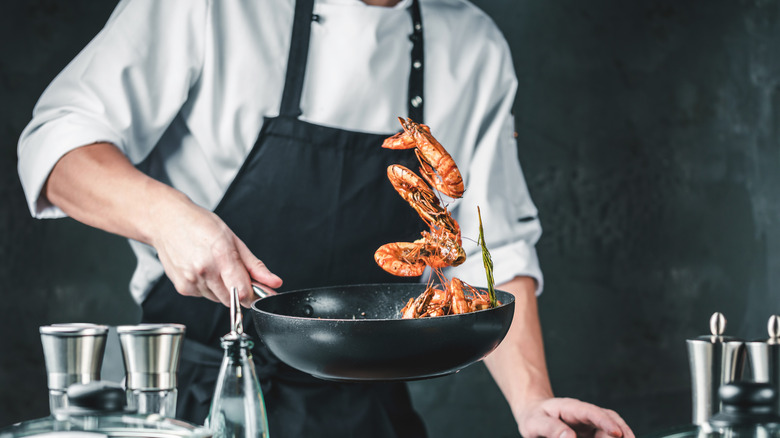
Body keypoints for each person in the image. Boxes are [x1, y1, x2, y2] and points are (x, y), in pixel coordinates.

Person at [18, 0, 634, 437]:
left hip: (366, 415)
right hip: (198, 405)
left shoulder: (473, 47)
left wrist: (533, 402)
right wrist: (166, 216)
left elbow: (488, 248)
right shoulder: (208, 6)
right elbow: (57, 147)